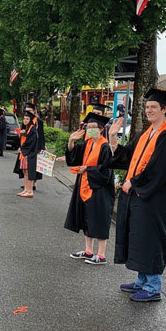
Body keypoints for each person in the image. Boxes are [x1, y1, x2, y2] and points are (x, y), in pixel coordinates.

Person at [108, 88, 166, 303]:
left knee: (151, 239)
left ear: (164, 109)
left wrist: (135, 182)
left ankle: (152, 287)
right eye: (147, 107)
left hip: (153, 200)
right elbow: (128, 156)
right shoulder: (145, 133)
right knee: (139, 237)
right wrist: (113, 138)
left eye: (153, 107)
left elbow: (159, 170)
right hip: (138, 196)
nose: (149, 110)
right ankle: (142, 280)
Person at [64, 112, 114, 263]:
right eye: (88, 127)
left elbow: (106, 171)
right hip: (85, 186)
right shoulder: (88, 143)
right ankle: (88, 251)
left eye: (93, 127)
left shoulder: (105, 146)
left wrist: (87, 169)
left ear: (100, 129)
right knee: (88, 218)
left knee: (99, 219)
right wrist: (71, 141)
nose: (90, 129)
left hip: (100, 188)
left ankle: (101, 255)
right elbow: (74, 157)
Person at [15, 104, 46, 197]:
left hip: (30, 151)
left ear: (34, 111)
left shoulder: (36, 124)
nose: (25, 119)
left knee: (30, 171)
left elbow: (39, 136)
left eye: (27, 118)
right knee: (25, 171)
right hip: (26, 151)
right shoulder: (27, 128)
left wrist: (41, 147)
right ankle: (26, 188)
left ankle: (30, 189)